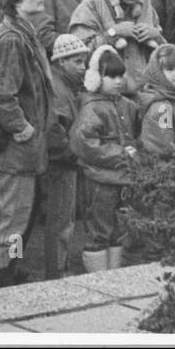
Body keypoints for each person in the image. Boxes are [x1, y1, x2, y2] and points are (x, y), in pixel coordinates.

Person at [0, 0, 55, 288]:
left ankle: (10, 268)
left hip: (25, 148)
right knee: (7, 217)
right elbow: (1, 94)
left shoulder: (23, 31)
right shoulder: (11, 38)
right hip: (15, 147)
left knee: (19, 218)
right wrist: (20, 127)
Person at [70, 44, 140, 272]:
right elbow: (85, 143)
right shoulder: (92, 107)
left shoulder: (127, 105)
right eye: (111, 76)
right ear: (96, 77)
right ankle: (98, 281)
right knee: (99, 231)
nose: (118, 81)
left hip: (122, 179)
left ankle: (114, 277)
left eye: (121, 75)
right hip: (99, 180)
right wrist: (121, 153)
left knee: (119, 230)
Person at [42, 33, 85, 278]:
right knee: (60, 221)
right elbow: (53, 130)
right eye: (77, 62)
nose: (83, 67)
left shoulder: (65, 86)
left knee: (63, 219)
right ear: (61, 62)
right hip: (62, 163)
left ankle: (59, 267)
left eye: (84, 61)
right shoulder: (59, 90)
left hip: (65, 160)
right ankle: (56, 272)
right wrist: (71, 154)